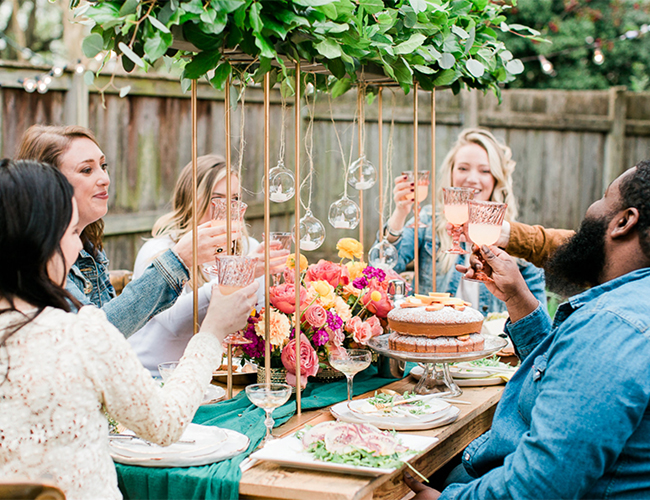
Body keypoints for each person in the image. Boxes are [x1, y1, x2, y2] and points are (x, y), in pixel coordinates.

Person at [0, 159, 259, 500]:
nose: (78, 247)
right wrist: (211, 333)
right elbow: (164, 425)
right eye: (72, 231)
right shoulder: (80, 334)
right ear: (39, 240)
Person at [405, 160, 650, 499]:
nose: (590, 208)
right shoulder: (629, 305)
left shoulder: (613, 326)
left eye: (603, 197)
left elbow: (540, 485)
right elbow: (559, 373)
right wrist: (518, 299)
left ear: (624, 222)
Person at [15, 125, 235, 337]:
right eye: (87, 170)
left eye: (103, 166)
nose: (105, 179)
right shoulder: (37, 258)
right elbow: (96, 337)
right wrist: (179, 261)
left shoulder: (88, 248)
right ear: (48, 183)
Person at [127, 154, 289, 376]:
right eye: (218, 199)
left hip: (214, 376)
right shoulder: (160, 251)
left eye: (235, 199)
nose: (229, 209)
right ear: (193, 201)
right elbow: (174, 322)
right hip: (156, 375)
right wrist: (240, 272)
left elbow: (255, 319)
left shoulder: (247, 246)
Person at [382, 128, 546, 315]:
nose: (472, 179)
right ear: (451, 173)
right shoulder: (429, 222)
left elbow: (540, 326)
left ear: (496, 179)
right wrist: (400, 213)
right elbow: (382, 269)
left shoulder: (517, 243)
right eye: (463, 168)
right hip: (434, 342)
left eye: (485, 170)